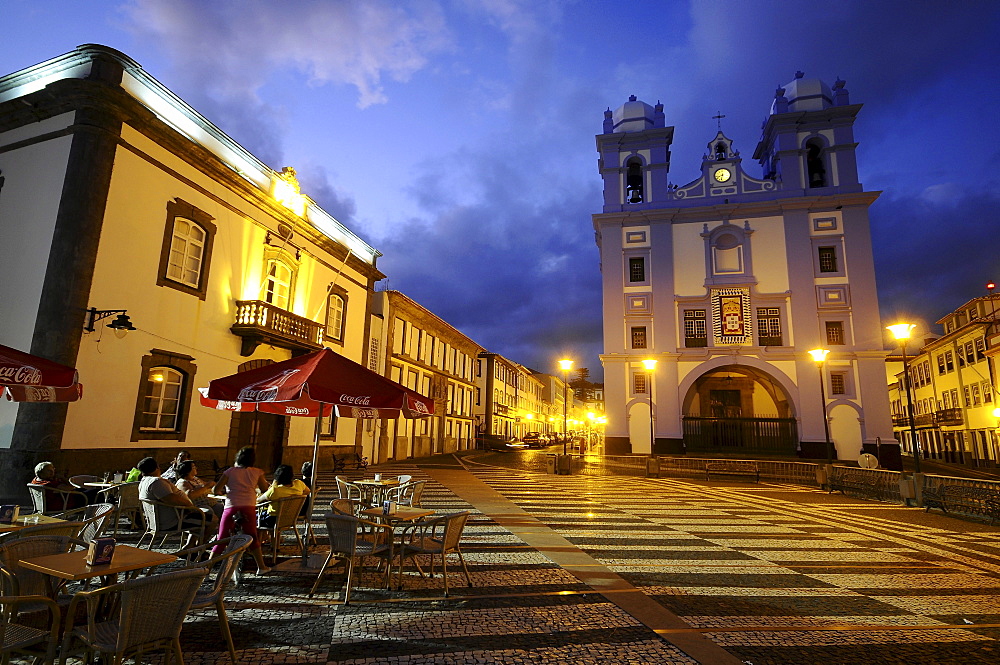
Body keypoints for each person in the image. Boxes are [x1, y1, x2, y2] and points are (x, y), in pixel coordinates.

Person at [211, 446, 271, 574]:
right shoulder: (257, 472)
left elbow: (216, 490)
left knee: (221, 539)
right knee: (253, 537)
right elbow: (265, 489)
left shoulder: (229, 472)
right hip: (248, 507)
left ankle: (206, 570)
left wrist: (225, 491)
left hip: (231, 507)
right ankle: (261, 567)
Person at [136, 457, 205, 549]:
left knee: (201, 516)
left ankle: (190, 546)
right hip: (172, 521)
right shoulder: (157, 482)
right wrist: (190, 507)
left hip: (160, 519)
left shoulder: (144, 481)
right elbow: (171, 499)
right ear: (157, 468)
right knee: (211, 519)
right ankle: (198, 549)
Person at [257, 464, 310, 529]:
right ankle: (276, 538)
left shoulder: (275, 490)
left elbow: (258, 501)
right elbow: (307, 491)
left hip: (273, 520)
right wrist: (295, 496)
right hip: (290, 518)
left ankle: (263, 538)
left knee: (254, 518)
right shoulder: (299, 484)